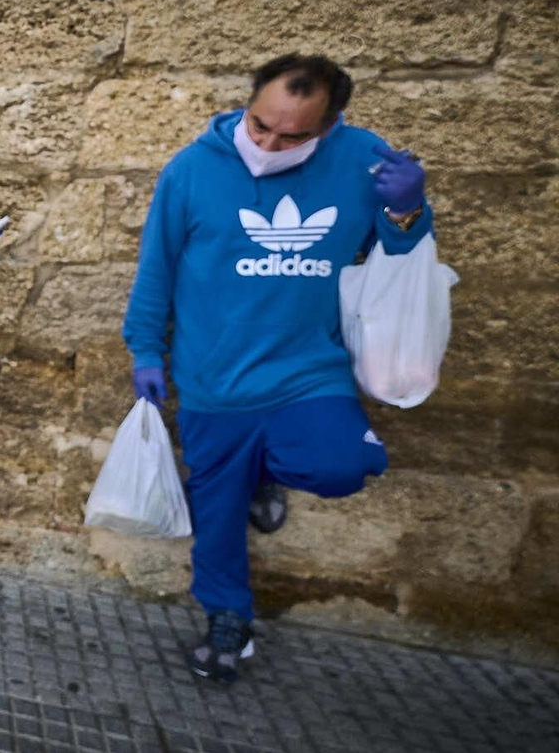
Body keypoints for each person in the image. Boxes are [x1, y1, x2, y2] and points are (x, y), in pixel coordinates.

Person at [122, 54, 432, 684]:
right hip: (215, 378)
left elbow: (399, 256)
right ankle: (227, 619)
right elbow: (157, 268)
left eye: (293, 135)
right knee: (217, 515)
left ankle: (267, 470)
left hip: (308, 372)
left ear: (331, 122)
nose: (268, 144)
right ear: (248, 102)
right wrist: (145, 350)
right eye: (260, 124)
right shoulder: (191, 170)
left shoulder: (362, 160)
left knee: (346, 464)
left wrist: (407, 211)